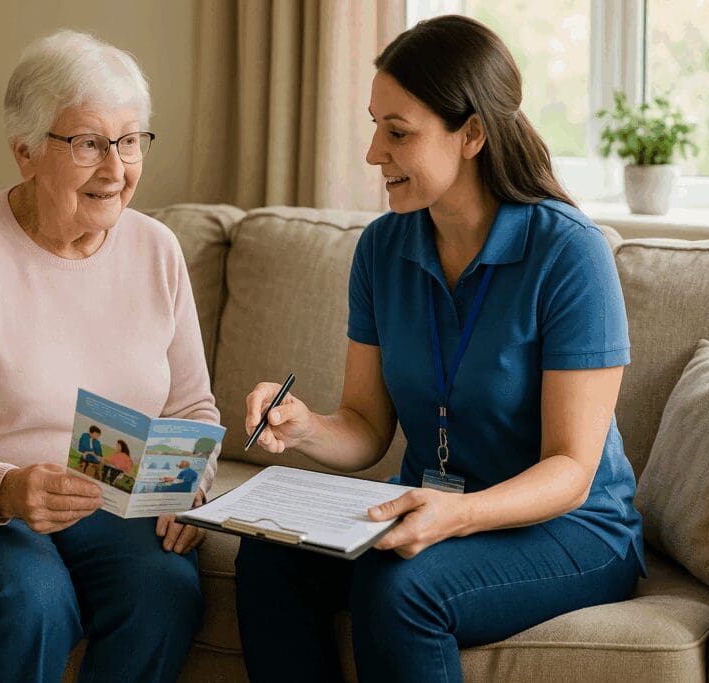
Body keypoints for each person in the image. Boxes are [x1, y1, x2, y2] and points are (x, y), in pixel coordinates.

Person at [235, 15, 644, 683]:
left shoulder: (569, 252)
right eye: (374, 125)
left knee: (402, 590)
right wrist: (304, 425)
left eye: (397, 132)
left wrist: (460, 513)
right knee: (269, 558)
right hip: (431, 505)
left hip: (570, 527)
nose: (373, 153)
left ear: (473, 134)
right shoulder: (381, 249)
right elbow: (366, 427)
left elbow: (571, 467)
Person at [0, 30, 219, 682]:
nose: (116, 169)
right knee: (33, 601)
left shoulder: (157, 249)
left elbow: (191, 404)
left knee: (166, 593)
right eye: (89, 143)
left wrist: (188, 487)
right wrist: (6, 488)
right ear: (26, 153)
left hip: (109, 493)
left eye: (129, 140)